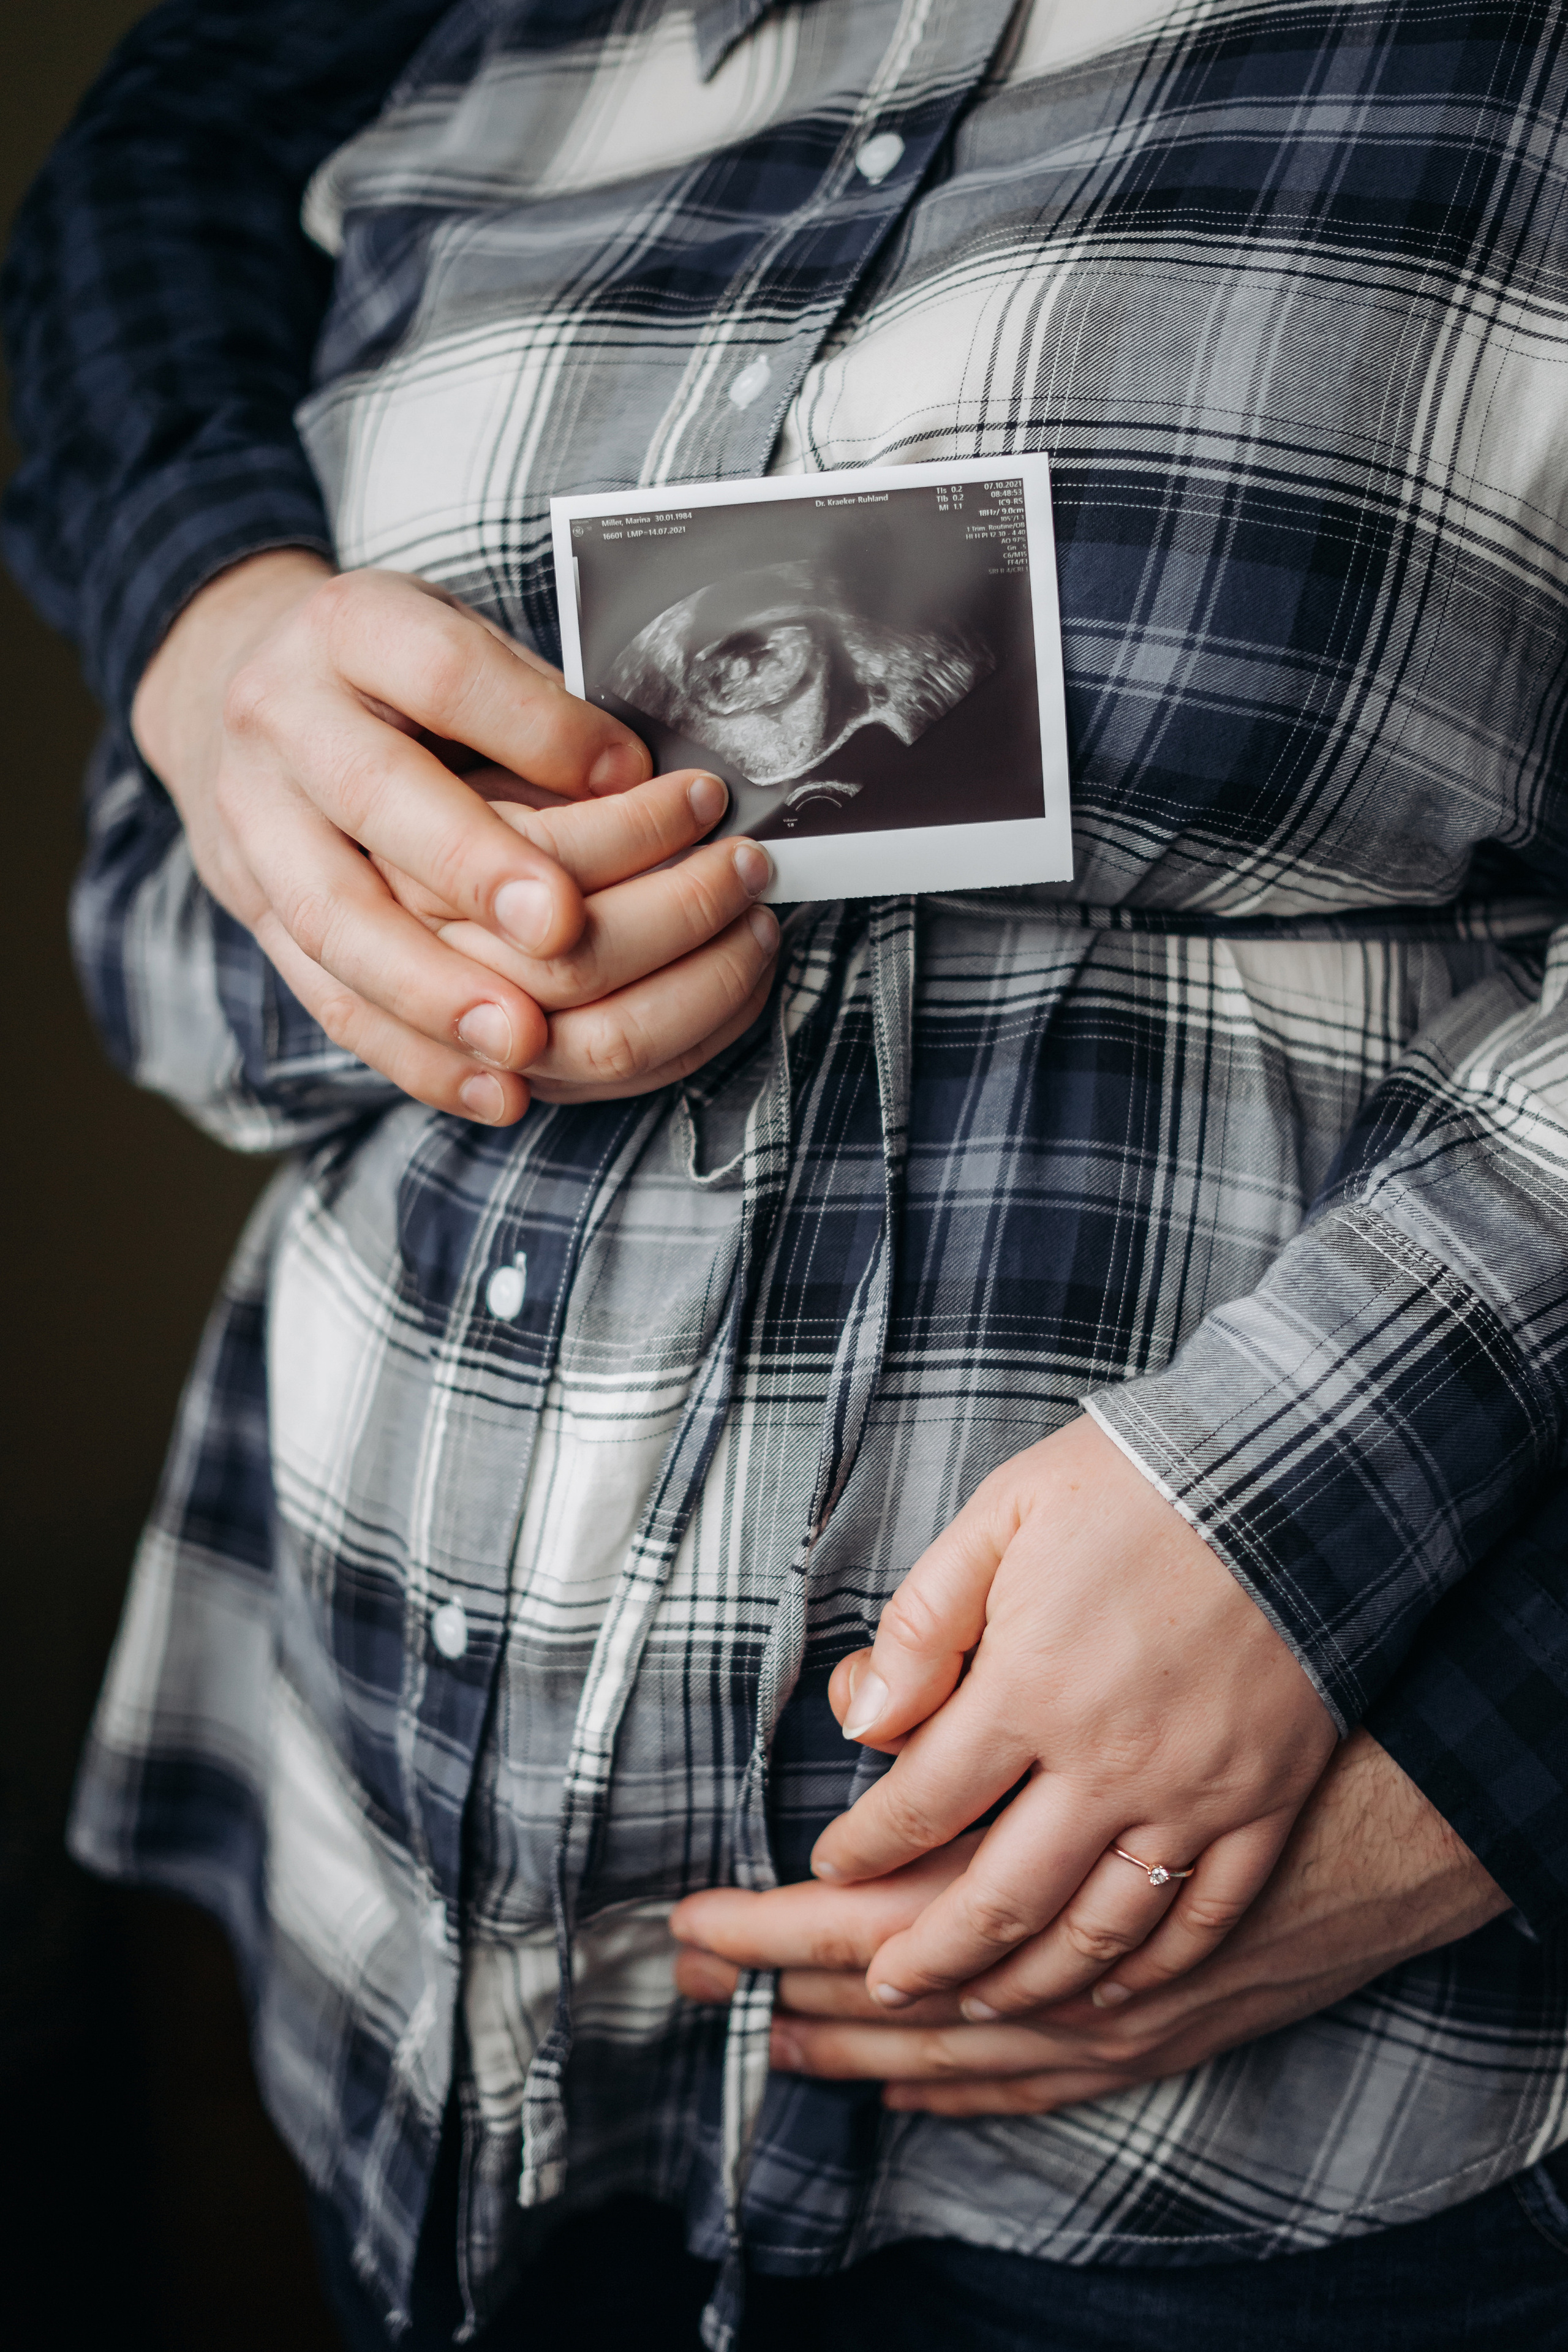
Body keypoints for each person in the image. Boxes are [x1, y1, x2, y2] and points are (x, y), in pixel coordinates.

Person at [4, 2, 1566, 2347]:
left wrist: (1500, 1725)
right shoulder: (396, 57)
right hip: (400, 1991)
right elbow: (125, 210)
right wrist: (231, 691)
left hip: (1244, 2148)